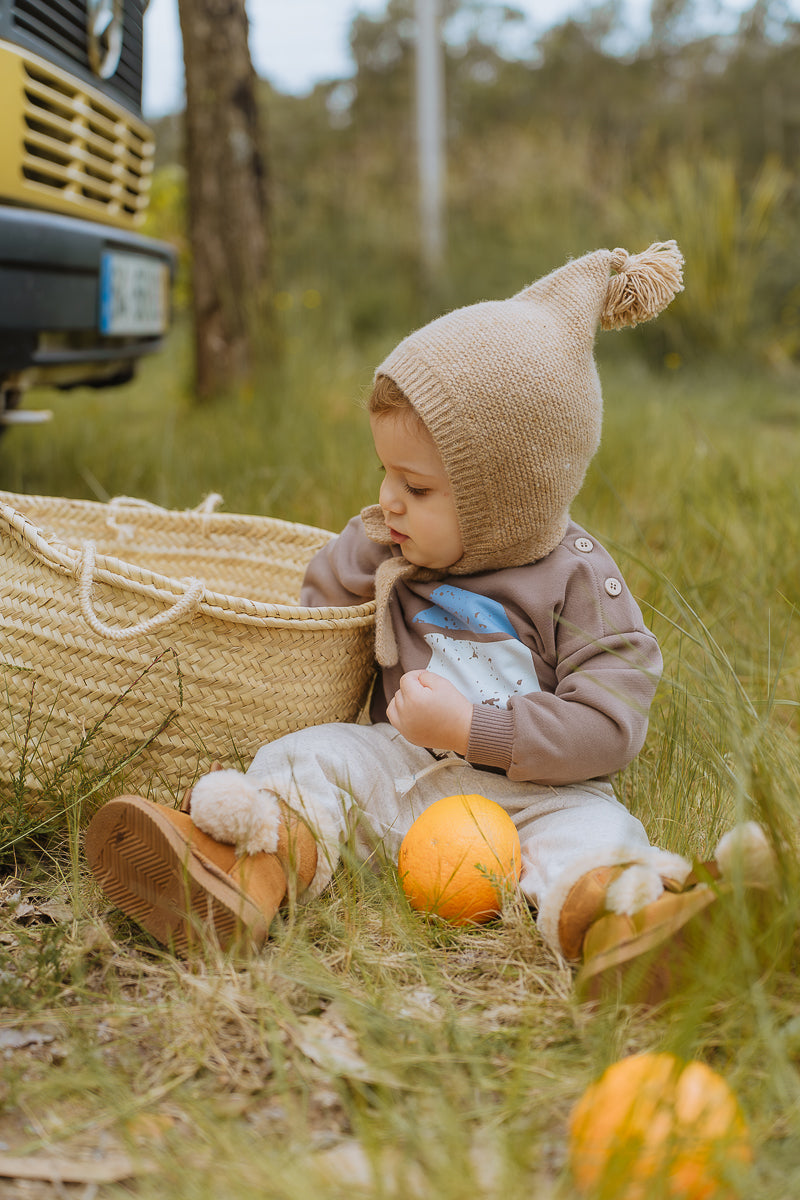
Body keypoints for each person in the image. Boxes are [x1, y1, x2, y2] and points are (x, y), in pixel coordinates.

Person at [85, 241, 775, 1001]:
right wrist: (350, 561)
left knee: (594, 842)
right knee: (313, 756)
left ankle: (629, 928)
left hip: (541, 794)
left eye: (414, 485)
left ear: (505, 497)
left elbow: (610, 725)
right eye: (384, 472)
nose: (388, 498)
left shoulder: (580, 581)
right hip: (401, 769)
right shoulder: (390, 541)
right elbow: (317, 615)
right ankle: (247, 863)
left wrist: (478, 729)